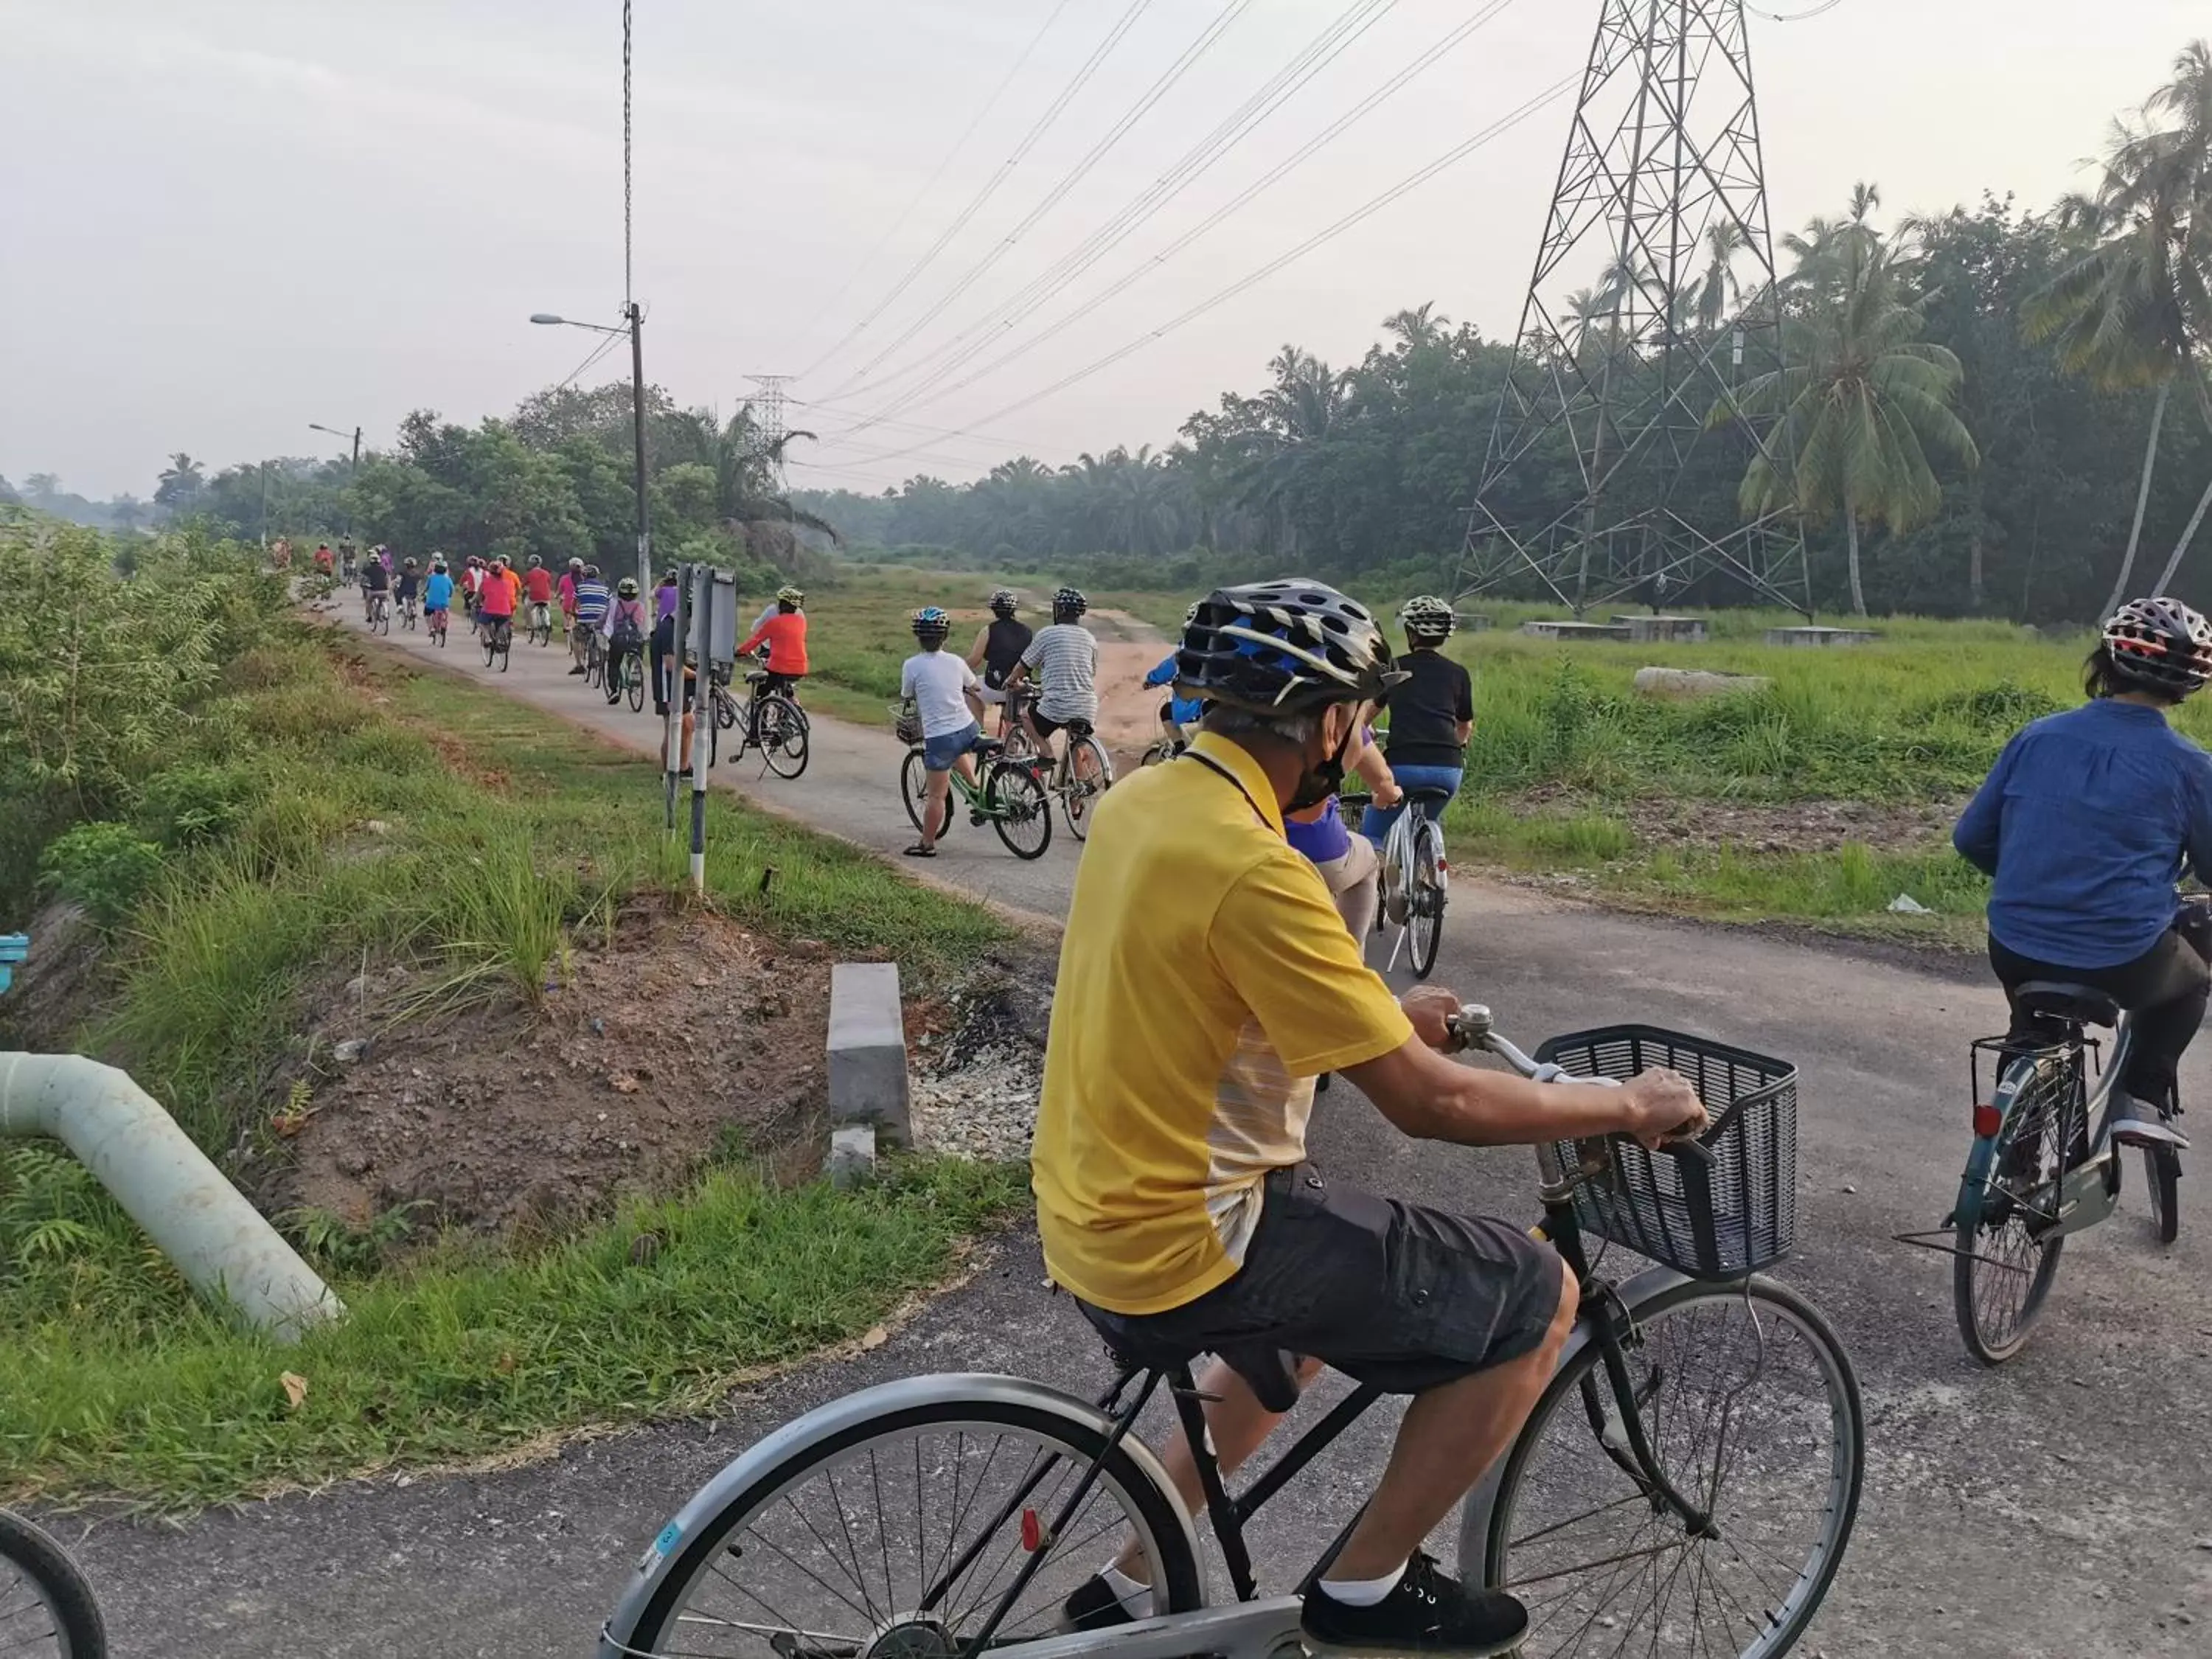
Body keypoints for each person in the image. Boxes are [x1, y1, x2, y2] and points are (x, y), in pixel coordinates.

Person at [1031, 579, 1705, 1658]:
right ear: (1327, 720)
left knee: (1310, 1311)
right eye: (1360, 709)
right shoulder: (1261, 866)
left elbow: (1204, 984)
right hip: (1191, 1236)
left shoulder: (1145, 805)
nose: (1366, 730)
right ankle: (1363, 1591)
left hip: (1089, 1209)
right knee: (1536, 1292)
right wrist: (1626, 1103)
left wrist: (1381, 1012)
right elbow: (1430, 1103)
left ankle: (1131, 1575)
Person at [1955, 596, 2212, 1148]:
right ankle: (2140, 1096)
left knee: (2029, 1031)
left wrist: (2031, 877)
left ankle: (2011, 1160)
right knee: (2193, 979)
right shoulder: (2192, 766)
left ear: (2106, 660)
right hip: (2126, 959)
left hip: (2016, 944)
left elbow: (1970, 837)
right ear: (2187, 684)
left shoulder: (2037, 737)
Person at [1362, 597, 1475, 854]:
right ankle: (1427, 864)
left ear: (1410, 632)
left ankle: (1375, 870)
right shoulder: (1458, 673)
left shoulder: (1396, 669)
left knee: (1372, 834)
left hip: (1403, 765)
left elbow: (1367, 714)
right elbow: (1464, 726)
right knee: (1430, 816)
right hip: (1448, 769)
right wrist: (1458, 745)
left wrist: (1366, 728)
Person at [1286, 714, 1401, 947]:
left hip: (1253, 841)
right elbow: (1383, 779)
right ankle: (1350, 960)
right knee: (1368, 857)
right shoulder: (1341, 717)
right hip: (1319, 848)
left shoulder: (1241, 717)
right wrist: (1391, 795)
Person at [900, 607, 983, 859]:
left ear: (919, 637)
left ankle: (927, 844)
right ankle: (976, 788)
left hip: (940, 737)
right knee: (958, 748)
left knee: (936, 795)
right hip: (969, 727)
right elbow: (975, 686)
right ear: (945, 636)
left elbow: (907, 694)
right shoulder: (957, 661)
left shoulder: (912, 665)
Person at [1008, 585, 1099, 765]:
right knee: (1077, 742)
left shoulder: (1047, 634)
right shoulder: (1089, 638)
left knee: (1026, 715)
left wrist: (1011, 680)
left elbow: (1024, 665)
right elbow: (1092, 672)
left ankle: (1046, 753)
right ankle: (1079, 784)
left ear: (1059, 610)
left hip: (1057, 705)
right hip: (1087, 705)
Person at [966, 589, 1034, 737]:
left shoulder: (988, 630)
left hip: (996, 687)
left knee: (969, 691)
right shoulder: (1028, 632)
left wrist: (958, 666)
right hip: (1022, 688)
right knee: (1012, 708)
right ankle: (1013, 743)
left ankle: (980, 734)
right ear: (1014, 610)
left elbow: (975, 660)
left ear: (994, 609)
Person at [1141, 602, 1206, 751]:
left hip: (1193, 712)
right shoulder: (1223, 646)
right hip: (1219, 712)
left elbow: (1167, 669)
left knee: (1166, 711)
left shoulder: (1186, 649)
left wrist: (1151, 680)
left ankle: (1180, 748)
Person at [737, 586, 810, 706]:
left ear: (785, 605)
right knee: (785, 687)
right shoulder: (801, 622)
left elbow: (755, 641)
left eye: (781, 603)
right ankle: (793, 708)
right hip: (801, 668)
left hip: (779, 667)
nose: (779, 606)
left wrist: (739, 652)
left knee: (762, 693)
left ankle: (758, 722)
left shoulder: (774, 623)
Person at [650, 570, 682, 717]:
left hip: (663, 627)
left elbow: (651, 595)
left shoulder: (663, 590)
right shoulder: (683, 592)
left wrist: (660, 582)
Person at [569, 563, 611, 675]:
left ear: (584, 575)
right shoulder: (605, 588)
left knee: (575, 637)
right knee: (604, 634)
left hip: (585, 619)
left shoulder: (580, 586)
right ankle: (605, 652)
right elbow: (610, 603)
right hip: (601, 619)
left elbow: (574, 603)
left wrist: (573, 612)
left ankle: (579, 665)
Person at [476, 552, 518, 644]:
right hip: (506, 611)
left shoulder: (486, 581)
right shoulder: (509, 582)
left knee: (481, 622)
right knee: (503, 622)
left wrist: (477, 602)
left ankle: (488, 638)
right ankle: (501, 637)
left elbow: (479, 595)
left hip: (489, 610)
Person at [524, 555, 556, 636]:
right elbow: (549, 583)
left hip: (533, 598)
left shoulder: (529, 574)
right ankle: (548, 623)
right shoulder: (546, 573)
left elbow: (524, 585)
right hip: (545, 597)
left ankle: (529, 625)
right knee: (547, 609)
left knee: (527, 606)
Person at [423, 555, 454, 640]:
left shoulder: (431, 577)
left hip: (431, 603)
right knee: (446, 612)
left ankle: (431, 628)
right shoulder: (448, 578)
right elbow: (452, 589)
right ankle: (444, 624)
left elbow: (426, 588)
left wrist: (423, 593)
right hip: (444, 603)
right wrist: (450, 595)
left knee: (427, 615)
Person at [359, 547, 390, 620]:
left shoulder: (368, 570)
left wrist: (363, 585)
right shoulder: (383, 569)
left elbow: (362, 579)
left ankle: (369, 616)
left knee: (368, 601)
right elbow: (387, 578)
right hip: (384, 591)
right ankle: (383, 613)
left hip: (373, 591)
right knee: (383, 600)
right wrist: (388, 588)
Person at [559, 557, 583, 635]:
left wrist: (557, 596)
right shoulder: (584, 580)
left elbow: (560, 591)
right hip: (581, 606)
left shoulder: (564, 578)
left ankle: (565, 624)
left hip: (568, 605)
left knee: (564, 607)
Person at [394, 556, 421, 622]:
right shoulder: (417, 574)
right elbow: (419, 583)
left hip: (403, 592)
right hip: (413, 592)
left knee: (396, 591)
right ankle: (414, 610)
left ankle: (399, 605)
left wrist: (395, 584)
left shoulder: (402, 572)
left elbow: (398, 581)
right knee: (413, 599)